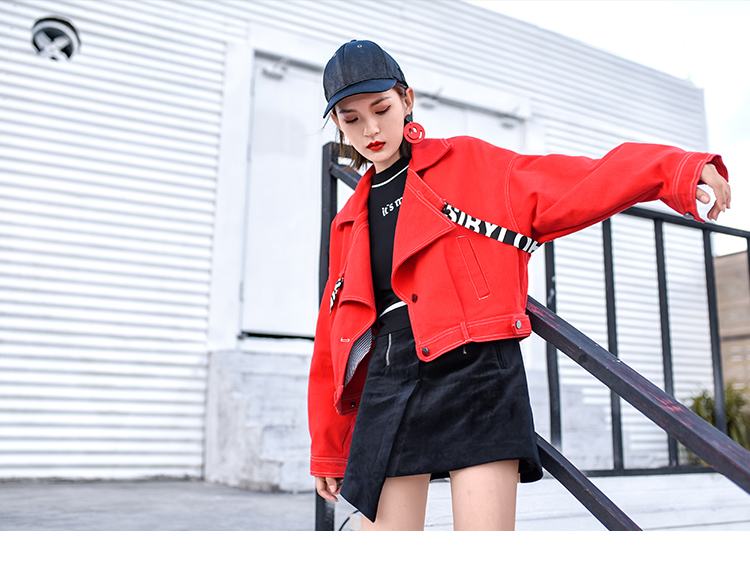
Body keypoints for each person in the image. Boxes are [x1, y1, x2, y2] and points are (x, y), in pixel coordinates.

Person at [308, 40, 731, 531]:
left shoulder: (467, 163)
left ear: (407, 100)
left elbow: (576, 181)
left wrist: (677, 169)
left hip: (475, 370)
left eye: (381, 109)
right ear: (337, 124)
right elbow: (333, 336)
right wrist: (328, 446)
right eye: (352, 118)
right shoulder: (348, 221)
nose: (371, 129)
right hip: (389, 379)